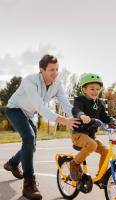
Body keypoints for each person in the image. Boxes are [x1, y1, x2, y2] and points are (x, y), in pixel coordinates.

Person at [3, 54, 80, 200]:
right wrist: (64, 120)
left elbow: (66, 105)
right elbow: (39, 106)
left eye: (57, 69)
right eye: (51, 69)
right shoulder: (29, 81)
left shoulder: (57, 85)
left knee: (31, 145)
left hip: (29, 114)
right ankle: (29, 184)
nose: (55, 73)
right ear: (42, 70)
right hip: (14, 109)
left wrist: (79, 115)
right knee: (29, 137)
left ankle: (12, 163)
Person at [70, 73, 116, 185]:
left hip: (91, 136)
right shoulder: (80, 100)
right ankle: (74, 163)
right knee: (92, 145)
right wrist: (82, 115)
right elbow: (76, 109)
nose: (95, 91)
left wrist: (113, 121)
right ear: (84, 89)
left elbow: (104, 116)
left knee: (106, 151)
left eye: (97, 89)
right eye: (92, 89)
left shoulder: (99, 103)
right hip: (78, 134)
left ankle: (101, 176)